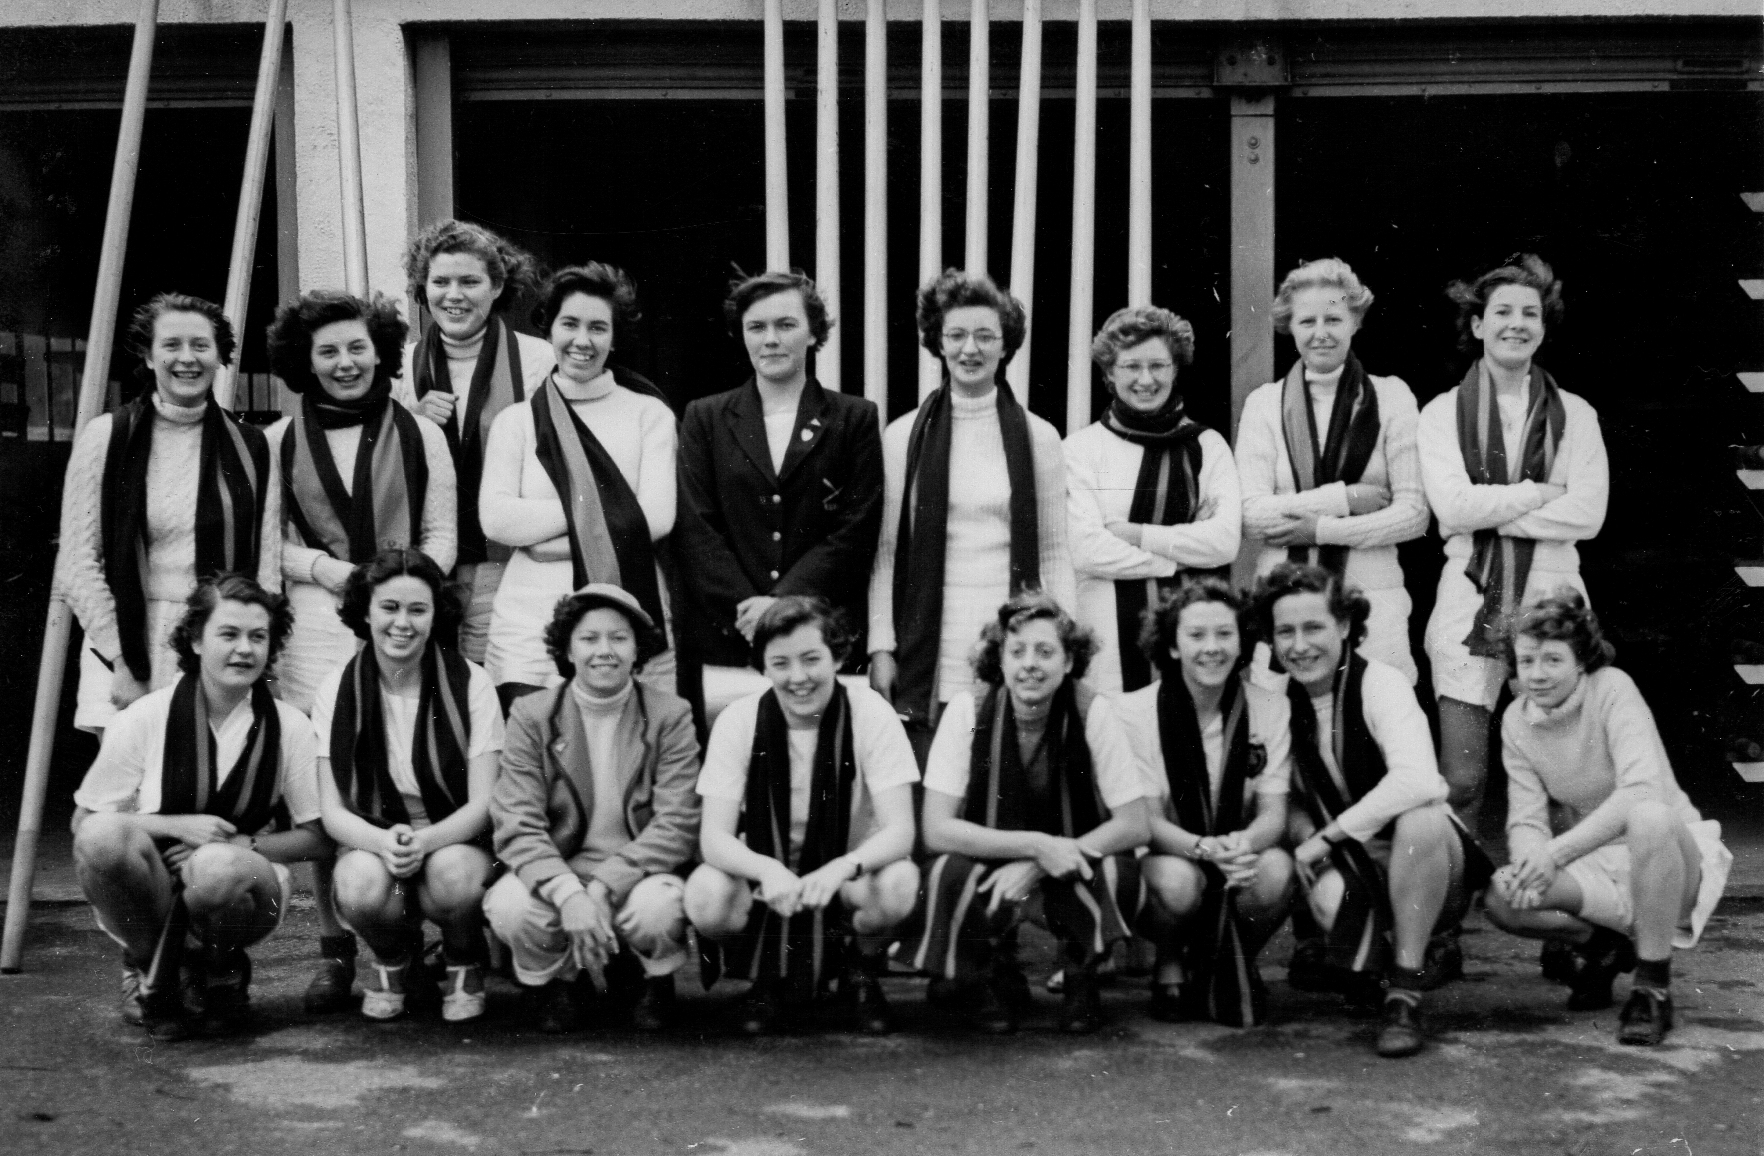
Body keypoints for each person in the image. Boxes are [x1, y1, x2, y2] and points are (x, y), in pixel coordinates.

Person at [266, 288, 457, 1014]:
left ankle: (419, 941)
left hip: (407, 612)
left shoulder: (421, 433)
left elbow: (443, 532)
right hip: (320, 621)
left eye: (356, 347)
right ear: (305, 362)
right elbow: (273, 544)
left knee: (414, 772)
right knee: (332, 790)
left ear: (380, 352)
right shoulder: (281, 440)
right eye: (328, 351)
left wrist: (404, 584)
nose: (345, 363)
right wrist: (333, 573)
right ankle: (335, 949)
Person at [70, 575, 326, 1041]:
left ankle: (220, 969)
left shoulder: (289, 726)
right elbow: (84, 822)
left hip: (244, 887)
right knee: (100, 839)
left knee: (217, 866)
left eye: (258, 636)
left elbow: (318, 836)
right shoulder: (146, 715)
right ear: (195, 638)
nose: (244, 649)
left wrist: (241, 844)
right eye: (228, 634)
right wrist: (177, 826)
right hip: (157, 883)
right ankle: (153, 968)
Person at [1254, 563, 1492, 1058]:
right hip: (1352, 862)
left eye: (1314, 627)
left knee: (1423, 814)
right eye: (1285, 632)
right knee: (1328, 897)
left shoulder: (1380, 682)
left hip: (1427, 863)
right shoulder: (1276, 703)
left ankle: (1404, 990)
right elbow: (1284, 798)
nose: (1300, 645)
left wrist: (1330, 834)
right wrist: (1308, 838)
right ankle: (1377, 964)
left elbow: (1420, 779)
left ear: (1343, 624)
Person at [1484, 592, 1731, 1046]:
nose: (1537, 674)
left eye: (1553, 659)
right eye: (1526, 660)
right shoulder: (1516, 721)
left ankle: (1652, 987)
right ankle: (1600, 945)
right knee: (1502, 895)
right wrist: (1529, 863)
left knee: (1649, 817)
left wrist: (1556, 853)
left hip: (1669, 858)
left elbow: (1640, 790)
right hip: (1598, 862)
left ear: (1581, 661)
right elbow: (1526, 817)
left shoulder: (1612, 688)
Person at [1419, 254, 1608, 831]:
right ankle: (1451, 910)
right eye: (1501, 311)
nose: (1515, 323)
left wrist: (1490, 507)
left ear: (1543, 327)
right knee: (1462, 780)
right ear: (1477, 324)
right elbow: (1451, 507)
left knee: (1567, 781)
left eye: (1530, 313)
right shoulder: (1441, 413)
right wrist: (1539, 492)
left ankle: (1564, 906)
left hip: (1555, 596)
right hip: (1469, 598)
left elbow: (1588, 514)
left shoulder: (1575, 414)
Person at [906, 593, 1150, 1035]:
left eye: (1045, 651)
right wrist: (1035, 847)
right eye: (1016, 652)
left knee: (1119, 870)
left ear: (1071, 659)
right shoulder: (968, 709)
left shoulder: (1091, 709)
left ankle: (1082, 972)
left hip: (1070, 866)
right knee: (945, 871)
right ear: (999, 660)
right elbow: (935, 829)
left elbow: (1133, 823)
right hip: (997, 866)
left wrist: (1039, 865)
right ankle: (987, 973)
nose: (1029, 664)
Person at [685, 597, 920, 1035]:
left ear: (838, 656)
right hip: (770, 879)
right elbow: (713, 839)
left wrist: (841, 868)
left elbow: (901, 830)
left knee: (900, 883)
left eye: (811, 659)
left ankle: (859, 967)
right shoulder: (739, 720)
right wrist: (766, 869)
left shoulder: (871, 712)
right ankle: (765, 977)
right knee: (705, 893)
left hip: (847, 875)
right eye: (780, 663)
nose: (798, 677)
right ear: (763, 667)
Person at [869, 270, 1075, 752]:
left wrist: (1063, 640)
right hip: (929, 647)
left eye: (986, 336)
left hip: (1012, 639)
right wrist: (881, 646)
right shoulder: (902, 438)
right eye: (957, 335)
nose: (970, 349)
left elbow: (1054, 551)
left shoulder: (1039, 437)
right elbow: (885, 552)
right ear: (937, 343)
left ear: (1006, 346)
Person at [56, 293, 280, 735]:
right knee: (128, 794)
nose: (187, 358)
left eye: (201, 345)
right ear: (148, 353)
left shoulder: (252, 446)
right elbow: (77, 564)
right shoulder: (107, 437)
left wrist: (259, 656)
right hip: (127, 639)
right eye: (171, 345)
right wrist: (121, 660)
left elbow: (267, 564)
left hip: (221, 639)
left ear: (220, 356)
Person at [485, 583, 701, 1033]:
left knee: (658, 909)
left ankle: (648, 979)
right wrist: (570, 894)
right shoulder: (532, 714)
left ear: (638, 647)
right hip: (561, 868)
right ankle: (560, 983)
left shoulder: (670, 713)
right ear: (567, 646)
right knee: (510, 905)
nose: (605, 651)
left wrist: (601, 888)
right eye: (589, 638)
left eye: (619, 638)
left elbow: (677, 822)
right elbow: (516, 823)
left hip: (639, 871)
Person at [675, 271, 883, 721]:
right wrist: (750, 613)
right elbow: (696, 529)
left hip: (822, 636)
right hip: (731, 637)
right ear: (742, 335)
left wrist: (784, 604)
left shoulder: (855, 418)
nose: (771, 339)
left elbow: (856, 529)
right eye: (757, 327)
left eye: (786, 325)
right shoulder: (705, 418)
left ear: (813, 333)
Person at [311, 549, 504, 1023]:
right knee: (356, 882)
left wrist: (425, 841)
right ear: (366, 611)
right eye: (389, 607)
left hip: (454, 837)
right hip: (376, 837)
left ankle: (463, 957)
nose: (403, 623)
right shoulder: (336, 687)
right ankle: (393, 959)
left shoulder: (471, 683)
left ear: (436, 615)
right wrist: (383, 842)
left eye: (418, 609)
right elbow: (333, 812)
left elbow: (484, 803)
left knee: (454, 875)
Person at [479, 263, 679, 707]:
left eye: (598, 327)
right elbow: (496, 519)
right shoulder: (517, 421)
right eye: (569, 324)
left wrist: (545, 541)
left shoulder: (650, 416)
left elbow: (657, 519)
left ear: (614, 336)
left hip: (627, 613)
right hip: (528, 622)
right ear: (549, 328)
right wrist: (606, 518)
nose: (582, 341)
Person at [1236, 258, 1427, 685]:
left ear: (1355, 320)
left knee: (1376, 721)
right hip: (1283, 600)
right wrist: (1344, 500)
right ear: (1290, 325)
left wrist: (1320, 530)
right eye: (1307, 320)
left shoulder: (1393, 397)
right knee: (1281, 729)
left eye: (1334, 318)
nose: (1321, 332)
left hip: (1373, 597)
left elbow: (1414, 515)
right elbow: (1249, 514)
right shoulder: (1263, 404)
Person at [1115, 579, 1294, 1026]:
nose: (1211, 648)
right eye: (1195, 636)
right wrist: (1205, 849)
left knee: (1276, 871)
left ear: (1242, 642)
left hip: (1237, 851)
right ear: (1172, 647)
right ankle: (1170, 959)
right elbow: (1146, 821)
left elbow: (1274, 813)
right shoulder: (1133, 712)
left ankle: (1235, 959)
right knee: (1177, 884)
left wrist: (1241, 844)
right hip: (1171, 856)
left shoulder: (1271, 707)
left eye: (1224, 634)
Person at [395, 220, 555, 664]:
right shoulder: (399, 366)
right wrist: (412, 424)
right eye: (440, 281)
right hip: (424, 563)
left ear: (497, 285)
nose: (454, 294)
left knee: (492, 682)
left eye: (470, 281)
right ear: (422, 287)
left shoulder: (538, 359)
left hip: (504, 565)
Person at [1064, 306, 1240, 696]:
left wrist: (1132, 533)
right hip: (1106, 641)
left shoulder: (1206, 446)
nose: (1146, 379)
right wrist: (1183, 555)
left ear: (1176, 369)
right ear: (1109, 373)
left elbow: (1225, 542)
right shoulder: (1080, 449)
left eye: (1158, 365)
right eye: (1131, 367)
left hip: (1189, 637)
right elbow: (1087, 550)